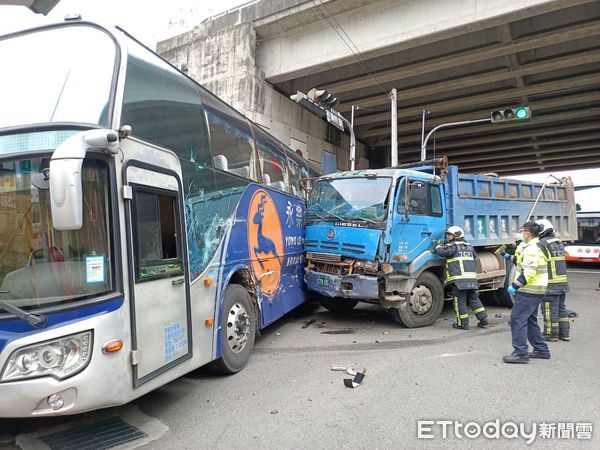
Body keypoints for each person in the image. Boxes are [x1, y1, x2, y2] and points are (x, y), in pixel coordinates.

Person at [504, 221, 551, 363]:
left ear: (528, 233)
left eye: (522, 231)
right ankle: (541, 349)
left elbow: (529, 272)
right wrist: (510, 257)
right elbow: (523, 263)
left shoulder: (532, 249)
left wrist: (515, 286)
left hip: (529, 290)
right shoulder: (536, 246)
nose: (521, 233)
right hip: (536, 289)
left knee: (517, 319)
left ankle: (520, 353)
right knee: (529, 320)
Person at [432, 226, 489, 330]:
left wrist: (438, 246)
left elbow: (442, 252)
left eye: (449, 235)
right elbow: (475, 257)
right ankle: (484, 320)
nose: (447, 237)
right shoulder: (469, 246)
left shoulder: (453, 246)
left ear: (456, 236)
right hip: (471, 279)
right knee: (473, 299)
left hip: (459, 280)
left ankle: (463, 324)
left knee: (459, 301)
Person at [536, 219, 570, 342]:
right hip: (562, 283)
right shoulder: (558, 242)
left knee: (549, 310)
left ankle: (550, 333)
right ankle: (564, 333)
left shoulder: (542, 244)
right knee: (561, 308)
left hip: (550, 283)